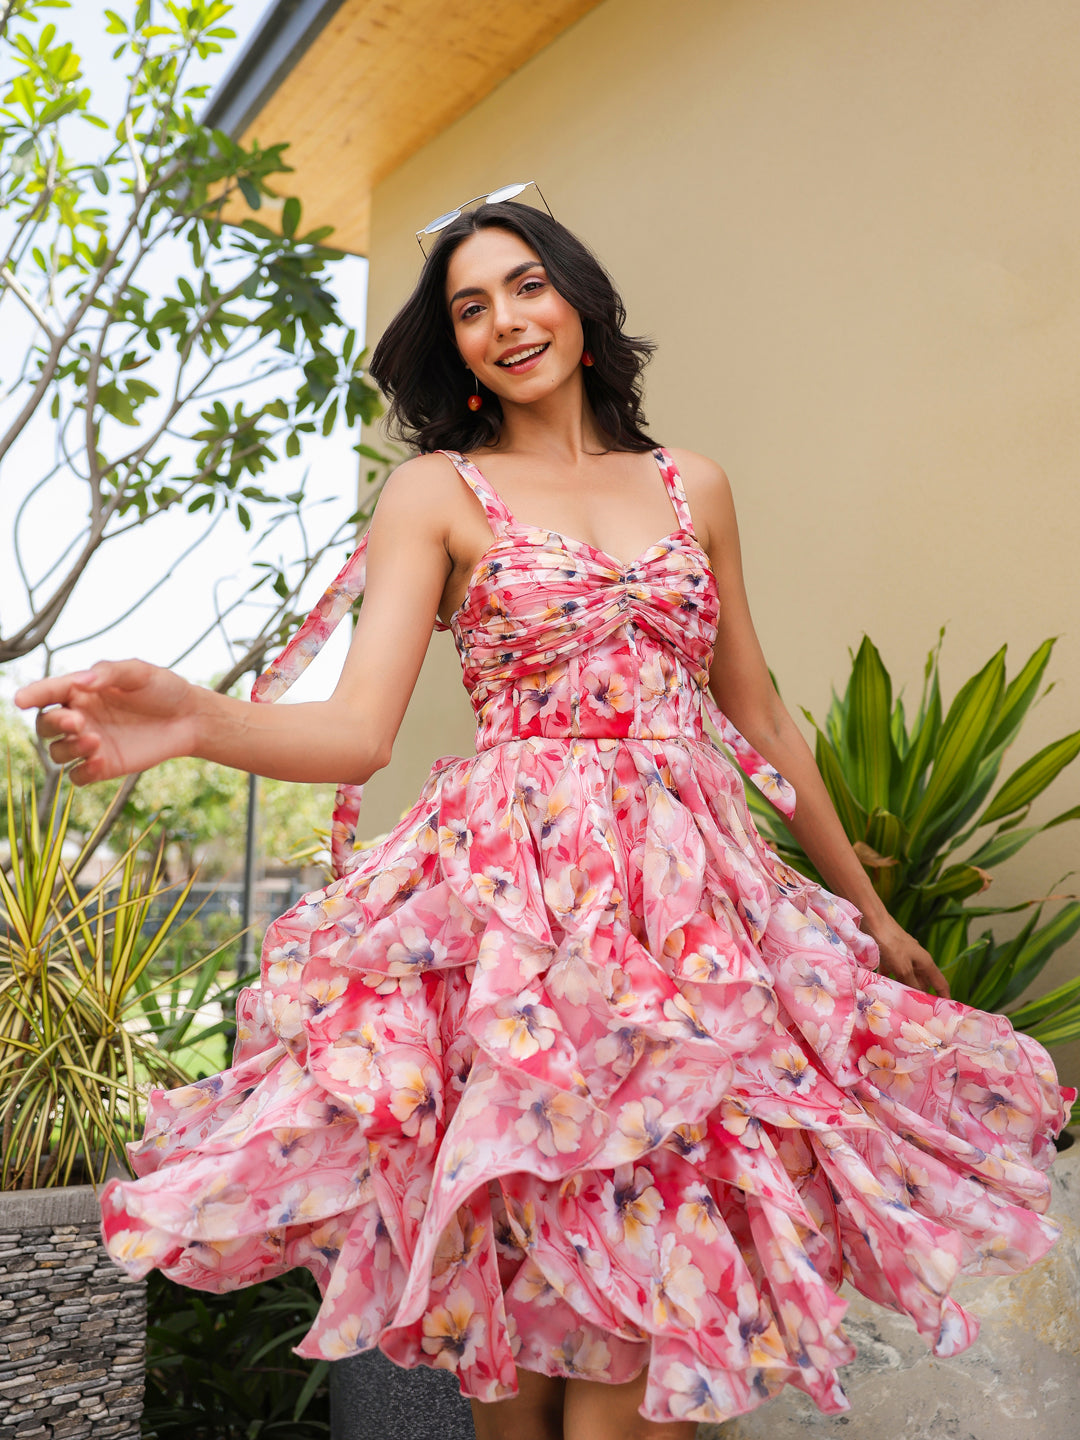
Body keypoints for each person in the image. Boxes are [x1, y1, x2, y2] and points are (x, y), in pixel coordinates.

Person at [15, 196, 1074, 1440]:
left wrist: (868, 910)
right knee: (514, 1352)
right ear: (454, 344)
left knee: (656, 1323)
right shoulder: (437, 492)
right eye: (470, 306)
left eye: (525, 287)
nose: (505, 321)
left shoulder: (697, 485)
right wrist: (195, 718)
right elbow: (358, 729)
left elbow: (765, 720)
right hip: (520, 925)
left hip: (693, 927)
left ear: (578, 299)